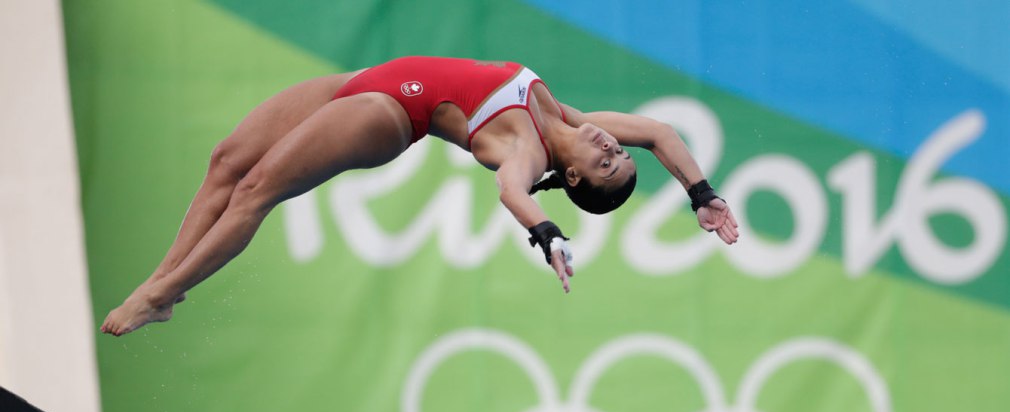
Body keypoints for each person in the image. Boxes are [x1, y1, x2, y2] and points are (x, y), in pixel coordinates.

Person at [101, 56, 738, 336]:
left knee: (257, 188)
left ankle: (157, 295)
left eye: (606, 163)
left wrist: (547, 234)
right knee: (226, 162)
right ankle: (168, 285)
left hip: (385, 112)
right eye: (618, 152)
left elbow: (511, 193)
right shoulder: (567, 116)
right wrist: (701, 193)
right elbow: (659, 132)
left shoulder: (532, 154)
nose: (611, 146)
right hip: (367, 78)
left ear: (574, 179)